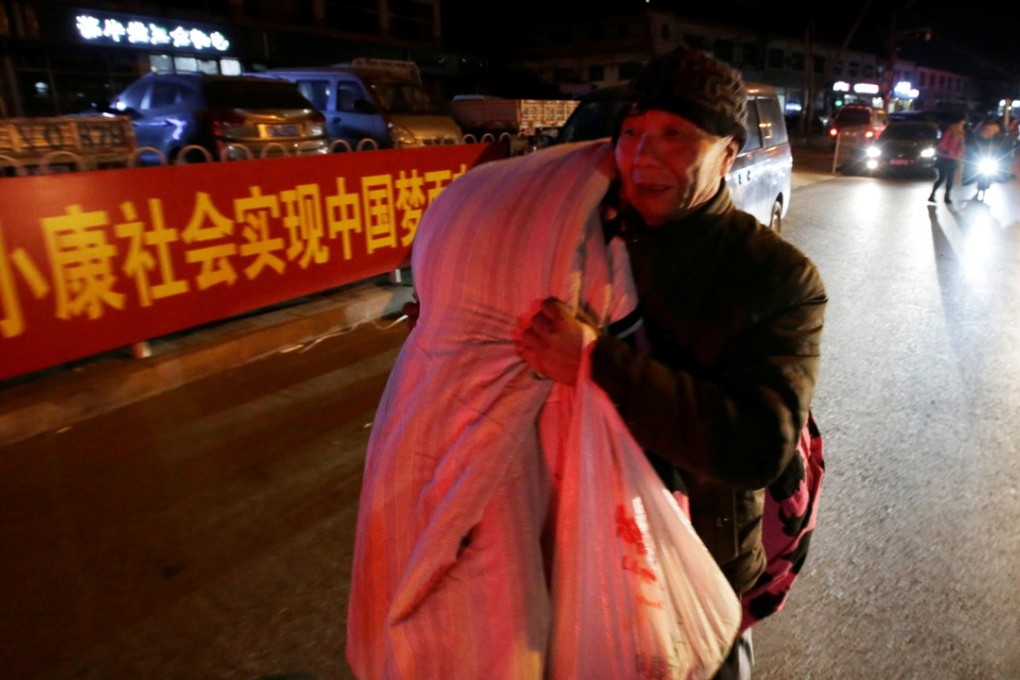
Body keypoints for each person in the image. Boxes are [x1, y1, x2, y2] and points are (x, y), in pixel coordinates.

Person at [513, 46, 827, 679]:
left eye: (675, 136)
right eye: (631, 133)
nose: (642, 156)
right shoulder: (583, 239)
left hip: (700, 555)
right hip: (576, 536)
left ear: (727, 155)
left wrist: (598, 363)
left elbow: (756, 444)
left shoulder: (777, 277)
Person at [928, 115, 966, 204]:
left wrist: (960, 153)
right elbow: (942, 144)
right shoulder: (949, 132)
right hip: (944, 158)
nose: (962, 124)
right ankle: (932, 194)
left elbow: (961, 146)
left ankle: (947, 196)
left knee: (950, 179)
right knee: (941, 178)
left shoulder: (960, 133)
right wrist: (950, 151)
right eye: (961, 123)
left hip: (953, 158)